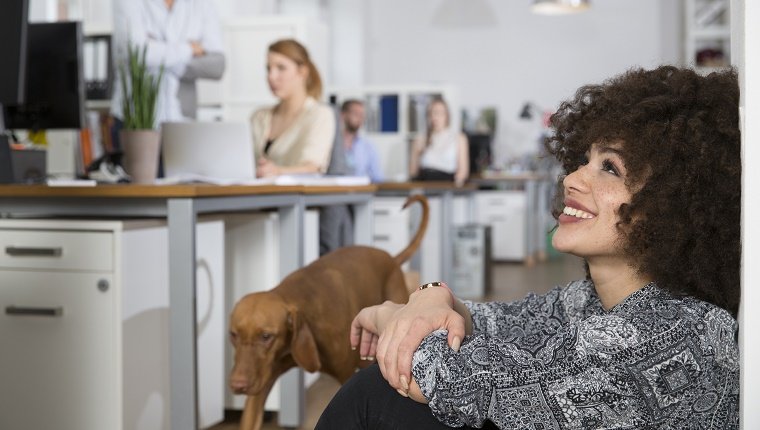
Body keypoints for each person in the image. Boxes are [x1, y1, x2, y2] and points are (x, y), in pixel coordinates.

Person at [316, 66, 741, 429]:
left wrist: (394, 314)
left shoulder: (671, 336)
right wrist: (433, 295)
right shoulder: (594, 300)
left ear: (672, 204)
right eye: (584, 160)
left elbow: (453, 379)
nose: (572, 179)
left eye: (609, 168)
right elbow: (489, 322)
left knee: (377, 396)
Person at [111, 0, 226, 124]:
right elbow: (138, 53)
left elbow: (217, 66)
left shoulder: (202, 4)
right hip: (135, 119)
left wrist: (157, 52)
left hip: (183, 119)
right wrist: (189, 49)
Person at [250, 39, 335, 178]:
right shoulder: (259, 117)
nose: (271, 76)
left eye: (281, 68)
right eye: (268, 69)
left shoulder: (319, 115)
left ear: (302, 71)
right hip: (252, 196)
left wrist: (278, 172)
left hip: (294, 197)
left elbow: (312, 167)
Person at [410, 97, 469, 186]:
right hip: (424, 184)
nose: (434, 117)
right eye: (431, 113)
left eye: (438, 113)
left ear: (447, 115)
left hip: (447, 187)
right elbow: (413, 172)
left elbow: (462, 172)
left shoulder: (458, 138)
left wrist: (455, 186)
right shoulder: (420, 139)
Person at [341, 99, 384, 183]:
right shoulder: (332, 143)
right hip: (335, 191)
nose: (360, 118)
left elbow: (378, 177)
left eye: (362, 115)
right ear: (343, 115)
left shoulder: (368, 146)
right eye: (356, 114)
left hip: (361, 192)